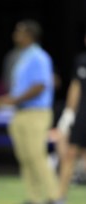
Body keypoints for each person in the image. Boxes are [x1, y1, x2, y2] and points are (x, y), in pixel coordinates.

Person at [0, 19, 62, 204]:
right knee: (25, 157)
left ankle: (55, 196)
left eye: (19, 31)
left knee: (36, 155)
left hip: (36, 112)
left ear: (29, 35)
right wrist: (11, 99)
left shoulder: (39, 56)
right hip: (20, 113)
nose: (15, 35)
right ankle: (34, 198)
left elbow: (40, 85)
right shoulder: (22, 56)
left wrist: (14, 99)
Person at [56, 31, 86, 202]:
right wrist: (68, 114)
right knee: (70, 154)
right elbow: (75, 89)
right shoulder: (81, 60)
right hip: (82, 117)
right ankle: (60, 197)